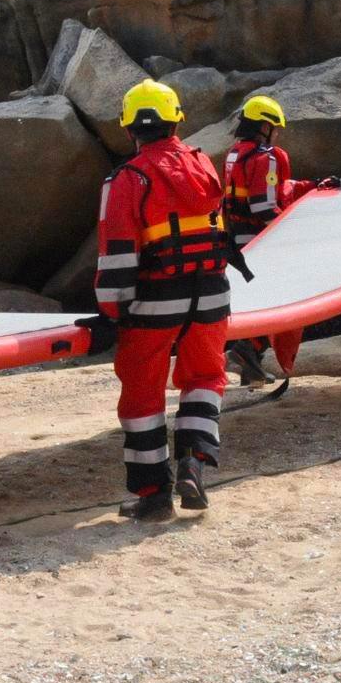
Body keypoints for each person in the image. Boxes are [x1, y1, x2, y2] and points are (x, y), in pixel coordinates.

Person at [78, 79, 232, 521]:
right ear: (176, 122)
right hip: (212, 294)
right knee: (205, 378)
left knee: (143, 397)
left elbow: (117, 256)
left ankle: (153, 495)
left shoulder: (126, 179)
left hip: (156, 301)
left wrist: (111, 314)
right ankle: (194, 465)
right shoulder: (203, 164)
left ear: (129, 129)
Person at [221, 94, 338, 387]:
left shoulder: (236, 154)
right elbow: (264, 206)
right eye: (275, 129)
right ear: (265, 126)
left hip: (239, 240)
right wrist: (289, 233)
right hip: (262, 240)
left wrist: (314, 186)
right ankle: (247, 350)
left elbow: (280, 189)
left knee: (260, 299)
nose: (278, 134)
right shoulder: (267, 157)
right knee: (283, 299)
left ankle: (251, 369)